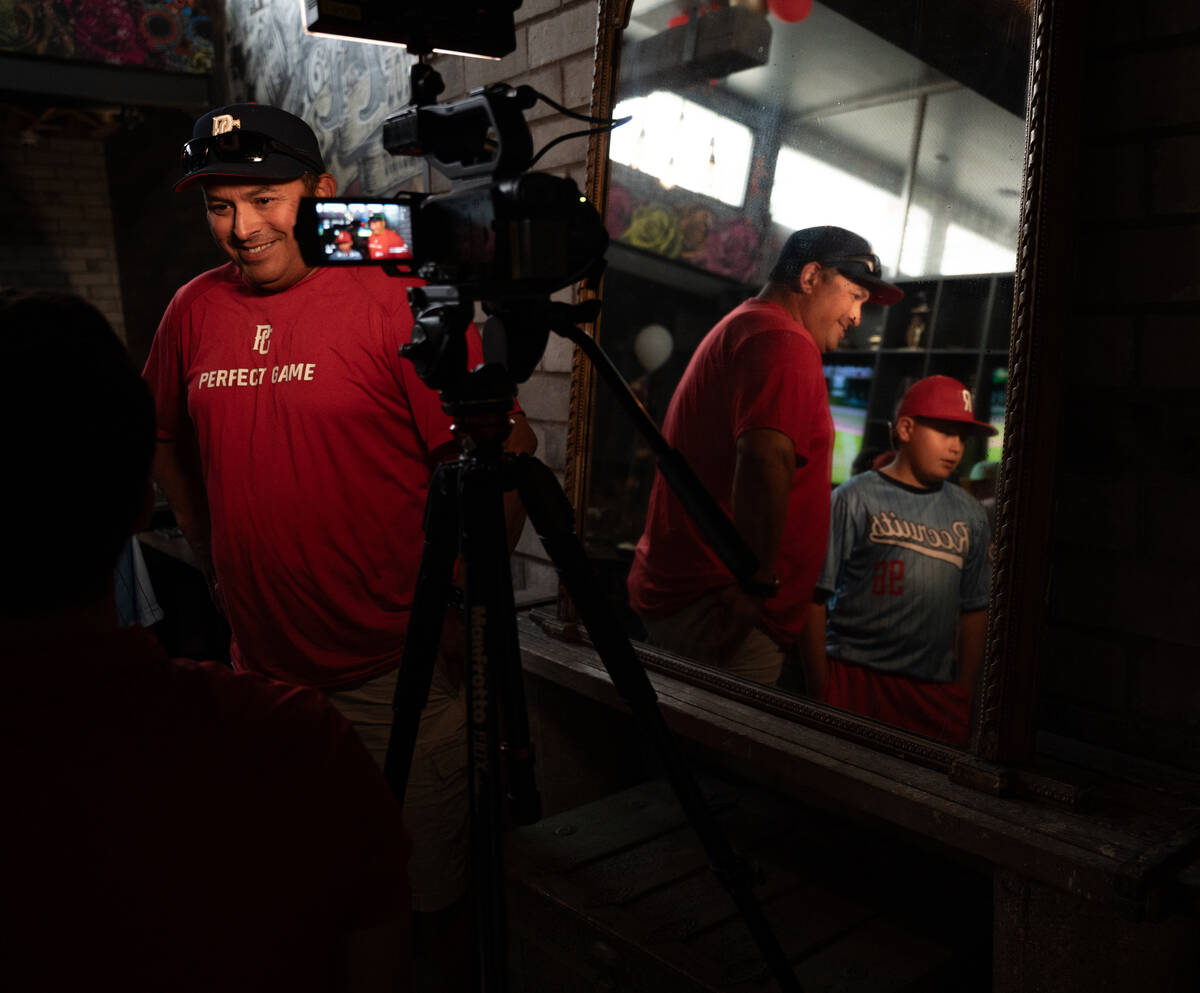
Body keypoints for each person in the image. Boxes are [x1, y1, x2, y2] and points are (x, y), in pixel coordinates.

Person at [143, 103, 536, 989]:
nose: (242, 229)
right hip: (263, 675)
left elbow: (496, 458)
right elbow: (161, 433)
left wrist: (465, 597)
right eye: (218, 206)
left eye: (266, 198)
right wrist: (207, 550)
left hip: (395, 676)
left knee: (423, 897)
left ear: (322, 193)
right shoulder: (192, 310)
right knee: (304, 893)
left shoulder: (392, 294)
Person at [2, 289, 411, 992]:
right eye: (224, 205)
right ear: (139, 503)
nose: (244, 225)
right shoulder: (298, 745)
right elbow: (379, 958)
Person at [626, 226, 902, 685]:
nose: (857, 316)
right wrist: (754, 586)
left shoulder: (750, 326)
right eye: (854, 295)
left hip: (708, 599)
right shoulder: (783, 338)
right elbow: (764, 459)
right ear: (811, 277)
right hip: (725, 606)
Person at [805, 375, 995, 746]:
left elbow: (976, 610)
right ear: (906, 428)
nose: (956, 447)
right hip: (854, 676)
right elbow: (813, 597)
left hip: (933, 690)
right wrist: (819, 687)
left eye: (962, 437)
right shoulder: (853, 498)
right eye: (944, 431)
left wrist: (965, 695)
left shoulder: (970, 514)